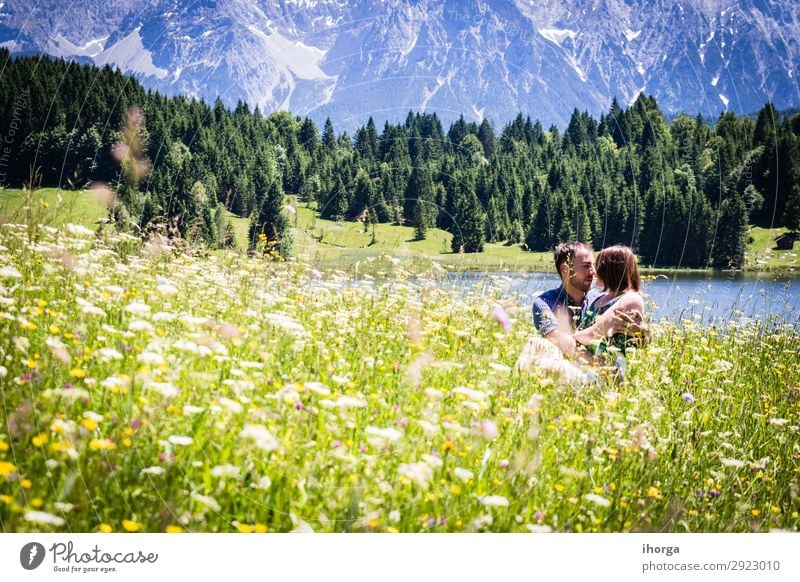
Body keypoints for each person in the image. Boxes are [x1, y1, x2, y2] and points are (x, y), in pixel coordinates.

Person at [532, 241, 602, 356]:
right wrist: (600, 364)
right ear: (565, 269)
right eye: (586, 266)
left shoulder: (600, 301)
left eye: (593, 265)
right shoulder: (545, 303)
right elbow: (560, 342)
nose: (593, 272)